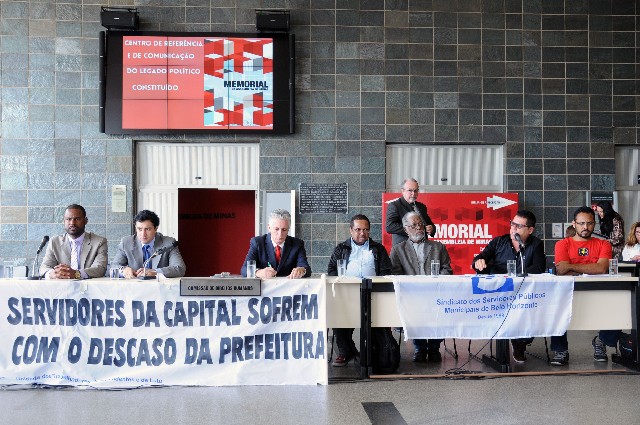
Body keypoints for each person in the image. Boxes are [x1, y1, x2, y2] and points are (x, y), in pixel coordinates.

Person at [471, 210, 547, 363]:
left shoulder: (536, 244)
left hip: (524, 294)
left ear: (530, 230)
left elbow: (539, 268)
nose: (513, 229)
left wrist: (516, 276)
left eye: (519, 226)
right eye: (513, 224)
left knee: (536, 313)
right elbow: (479, 259)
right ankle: (512, 342)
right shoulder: (499, 242)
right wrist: (478, 262)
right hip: (498, 294)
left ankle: (519, 342)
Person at [555, 206, 618, 365]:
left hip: (599, 291)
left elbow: (601, 268)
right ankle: (560, 349)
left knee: (618, 307)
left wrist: (571, 266)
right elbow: (561, 270)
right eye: (581, 223)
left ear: (594, 224)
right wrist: (590, 267)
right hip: (568, 291)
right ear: (574, 224)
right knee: (555, 309)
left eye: (589, 223)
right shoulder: (562, 244)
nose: (585, 227)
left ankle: (601, 341)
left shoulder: (604, 244)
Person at [328, 214, 392, 366]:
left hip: (373, 293)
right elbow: (331, 270)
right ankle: (345, 351)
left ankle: (375, 351)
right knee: (338, 315)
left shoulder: (378, 249)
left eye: (365, 229)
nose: (362, 233)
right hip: (347, 293)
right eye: (358, 229)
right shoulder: (341, 248)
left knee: (376, 320)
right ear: (351, 230)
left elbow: (386, 271)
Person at [390, 211, 452, 363]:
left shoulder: (438, 247)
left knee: (438, 307)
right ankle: (420, 347)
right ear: (405, 229)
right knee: (414, 310)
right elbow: (395, 274)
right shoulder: (398, 249)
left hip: (435, 291)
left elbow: (447, 269)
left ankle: (434, 347)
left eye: (420, 224)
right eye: (414, 225)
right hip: (411, 294)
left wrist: (437, 282)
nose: (418, 228)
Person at [40, 204, 108, 279]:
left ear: (85, 221)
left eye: (77, 219)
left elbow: (100, 269)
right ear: (64, 221)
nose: (72, 223)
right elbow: (44, 267)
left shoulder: (99, 242)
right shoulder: (54, 242)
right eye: (68, 219)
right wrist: (52, 274)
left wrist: (77, 274)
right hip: (61, 285)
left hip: (88, 285)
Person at [113, 209, 186, 278]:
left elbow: (180, 268)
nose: (143, 234)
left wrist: (155, 272)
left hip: (160, 286)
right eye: (139, 229)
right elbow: (113, 267)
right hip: (134, 285)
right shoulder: (126, 243)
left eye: (147, 229)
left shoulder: (169, 243)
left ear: (156, 229)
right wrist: (123, 270)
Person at [241, 209, 311, 279]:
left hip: (288, 284)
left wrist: (302, 270)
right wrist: (258, 272)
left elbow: (307, 269)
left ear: (288, 229)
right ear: (269, 228)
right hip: (264, 285)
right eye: (276, 229)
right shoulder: (258, 242)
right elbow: (244, 269)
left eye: (284, 230)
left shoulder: (297, 244)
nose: (280, 234)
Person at [385, 178, 436, 246]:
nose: (413, 193)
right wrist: (414, 229)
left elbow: (429, 224)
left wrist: (432, 228)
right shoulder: (395, 205)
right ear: (402, 191)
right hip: (403, 248)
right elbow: (390, 227)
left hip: (423, 247)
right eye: (410, 190)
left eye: (416, 191)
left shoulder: (422, 207)